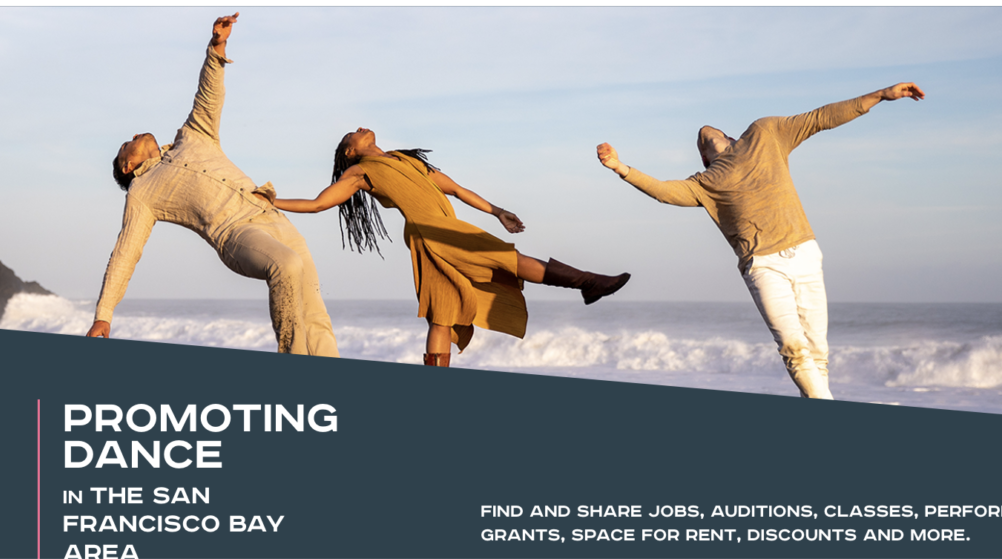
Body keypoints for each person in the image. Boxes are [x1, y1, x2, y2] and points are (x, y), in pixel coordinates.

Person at [596, 83, 925, 399]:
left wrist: (881, 95)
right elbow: (664, 192)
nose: (704, 133)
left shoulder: (765, 133)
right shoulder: (706, 182)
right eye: (701, 143)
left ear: (733, 137)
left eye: (715, 133)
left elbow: (822, 117)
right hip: (763, 265)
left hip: (806, 253)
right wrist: (620, 167)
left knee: (818, 351)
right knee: (794, 350)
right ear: (705, 160)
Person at [85, 14, 339, 357]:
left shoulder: (192, 136)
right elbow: (125, 254)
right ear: (128, 165)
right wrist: (104, 315)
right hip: (236, 235)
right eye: (124, 145)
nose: (132, 136)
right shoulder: (141, 193)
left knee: (315, 313)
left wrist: (217, 46)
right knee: (286, 265)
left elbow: (208, 95)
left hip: (272, 216)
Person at [273, 129, 630, 366]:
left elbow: (456, 189)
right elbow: (319, 203)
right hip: (432, 232)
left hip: (442, 229)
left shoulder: (408, 161)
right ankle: (588, 283)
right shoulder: (360, 172)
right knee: (507, 260)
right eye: (352, 132)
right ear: (351, 150)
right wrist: (274, 201)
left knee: (441, 313)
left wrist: (498, 211)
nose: (359, 125)